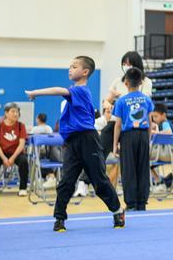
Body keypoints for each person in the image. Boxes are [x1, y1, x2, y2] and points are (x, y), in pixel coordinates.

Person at [25, 56, 124, 232]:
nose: (70, 69)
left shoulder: (81, 91)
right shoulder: (74, 91)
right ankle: (59, 218)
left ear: (85, 72)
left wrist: (35, 93)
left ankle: (117, 211)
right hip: (72, 142)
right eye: (70, 66)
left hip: (88, 140)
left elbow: (57, 90)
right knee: (66, 182)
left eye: (74, 66)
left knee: (99, 181)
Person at [113, 67, 153, 211]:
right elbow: (150, 122)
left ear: (126, 83)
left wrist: (115, 145)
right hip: (143, 135)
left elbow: (118, 125)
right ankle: (142, 202)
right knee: (143, 169)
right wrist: (148, 140)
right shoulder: (147, 99)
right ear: (141, 82)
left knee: (128, 169)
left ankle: (131, 203)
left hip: (128, 137)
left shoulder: (121, 101)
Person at [0, 103, 29, 196]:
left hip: (16, 153)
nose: (16, 114)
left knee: (24, 161)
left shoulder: (21, 126)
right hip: (2, 153)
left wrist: (13, 158)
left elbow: (21, 144)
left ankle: (23, 188)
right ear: (6, 113)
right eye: (13, 111)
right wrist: (4, 158)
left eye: (17, 112)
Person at [32, 112, 62, 190]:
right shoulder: (49, 128)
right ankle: (44, 177)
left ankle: (49, 177)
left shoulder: (34, 129)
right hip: (49, 152)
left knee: (38, 158)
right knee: (40, 159)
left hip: (40, 152)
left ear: (38, 119)